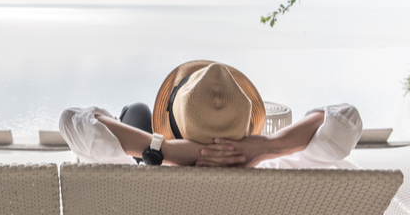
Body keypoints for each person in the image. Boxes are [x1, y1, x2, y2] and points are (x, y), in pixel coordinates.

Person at [59, 60, 363, 169]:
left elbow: (73, 121)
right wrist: (267, 148)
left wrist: (163, 150)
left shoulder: (132, 173)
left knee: (137, 111)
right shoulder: (284, 171)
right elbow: (344, 119)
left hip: (162, 161)